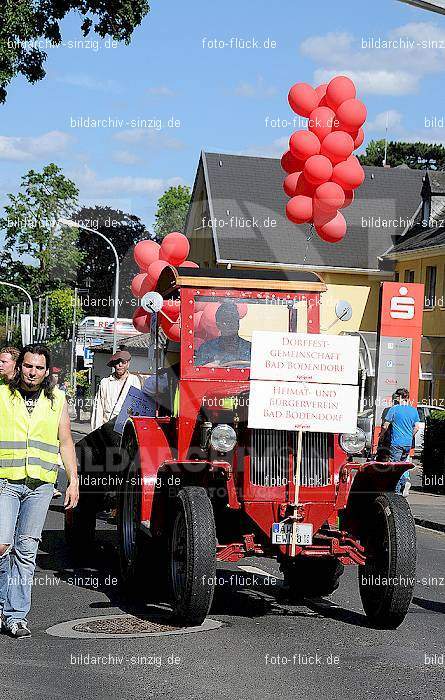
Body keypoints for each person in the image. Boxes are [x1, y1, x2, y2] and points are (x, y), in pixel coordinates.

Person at [0, 344, 79, 638]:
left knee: (26, 551)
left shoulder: (56, 400)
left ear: (47, 371)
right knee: (2, 546)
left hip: (41, 485)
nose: (33, 372)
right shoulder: (3, 395)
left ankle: (16, 616)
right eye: (29, 366)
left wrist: (73, 479)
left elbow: (66, 442)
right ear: (20, 367)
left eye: (39, 368)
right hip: (5, 481)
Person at [379, 388, 421, 497]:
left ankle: (396, 493)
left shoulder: (394, 409)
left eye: (396, 397)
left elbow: (385, 425)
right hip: (407, 443)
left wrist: (382, 435)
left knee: (395, 468)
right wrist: (409, 436)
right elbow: (416, 427)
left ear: (400, 397)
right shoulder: (413, 410)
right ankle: (405, 481)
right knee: (402, 465)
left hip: (396, 443)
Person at [91, 349, 141, 431]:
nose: (120, 365)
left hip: (126, 429)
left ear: (128, 364)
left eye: (123, 362)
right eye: (117, 362)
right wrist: (96, 431)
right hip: (108, 427)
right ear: (114, 365)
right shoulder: (105, 382)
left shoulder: (134, 380)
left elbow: (138, 407)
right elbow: (99, 408)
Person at [195, 302, 251, 367]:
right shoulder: (206, 348)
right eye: (225, 321)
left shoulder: (250, 349)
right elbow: (197, 373)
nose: (229, 325)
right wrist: (207, 367)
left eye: (232, 320)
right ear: (218, 325)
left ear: (238, 324)